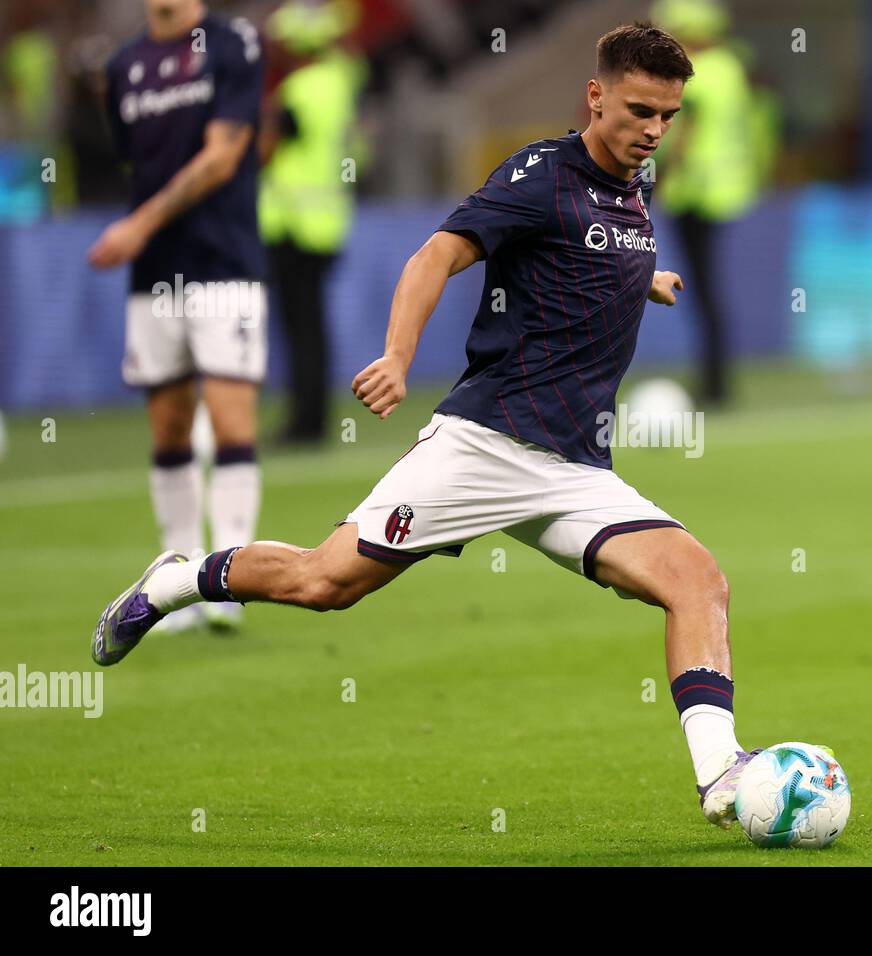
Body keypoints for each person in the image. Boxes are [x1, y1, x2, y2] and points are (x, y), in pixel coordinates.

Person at [93, 21, 758, 829]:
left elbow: (588, 246)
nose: (653, 130)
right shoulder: (540, 174)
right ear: (595, 96)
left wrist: (643, 276)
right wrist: (398, 357)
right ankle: (175, 580)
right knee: (323, 583)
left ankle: (721, 777)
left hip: (575, 468)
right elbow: (434, 256)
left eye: (667, 116)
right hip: (484, 445)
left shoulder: (633, 183)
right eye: (639, 111)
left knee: (697, 581)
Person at [89, 0, 265, 633]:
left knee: (230, 421)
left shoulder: (232, 43)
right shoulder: (122, 65)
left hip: (224, 265)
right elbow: (133, 160)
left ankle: (229, 583)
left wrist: (139, 224)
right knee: (168, 430)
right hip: (154, 275)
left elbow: (222, 158)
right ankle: (174, 586)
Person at [259, 0, 364, 444]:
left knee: (299, 328)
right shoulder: (339, 81)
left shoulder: (300, 88)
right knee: (311, 327)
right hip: (326, 222)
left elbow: (265, 149)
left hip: (293, 225)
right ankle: (312, 419)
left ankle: (305, 422)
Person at [650, 0, 762, 407]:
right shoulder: (731, 67)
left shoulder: (694, 73)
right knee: (709, 288)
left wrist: (656, 177)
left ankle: (714, 384)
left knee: (700, 289)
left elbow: (685, 134)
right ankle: (717, 379)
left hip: (694, 192)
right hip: (725, 190)